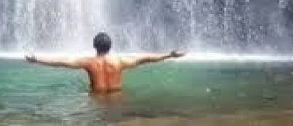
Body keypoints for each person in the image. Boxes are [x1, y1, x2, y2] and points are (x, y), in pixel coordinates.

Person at [24, 32, 185, 94]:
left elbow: (62, 62)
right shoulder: (120, 61)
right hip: (118, 99)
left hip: (97, 101)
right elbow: (146, 59)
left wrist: (37, 59)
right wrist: (170, 54)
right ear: (110, 46)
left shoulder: (88, 62)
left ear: (94, 46)